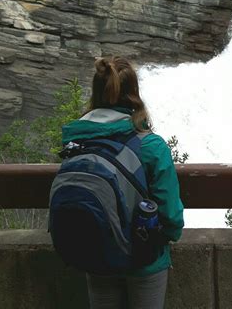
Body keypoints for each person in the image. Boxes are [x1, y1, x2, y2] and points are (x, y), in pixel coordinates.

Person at [61, 57, 184, 309]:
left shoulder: (76, 142)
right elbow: (171, 214)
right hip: (144, 258)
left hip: (95, 252)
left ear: (95, 92)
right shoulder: (151, 146)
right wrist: (167, 237)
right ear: (134, 93)